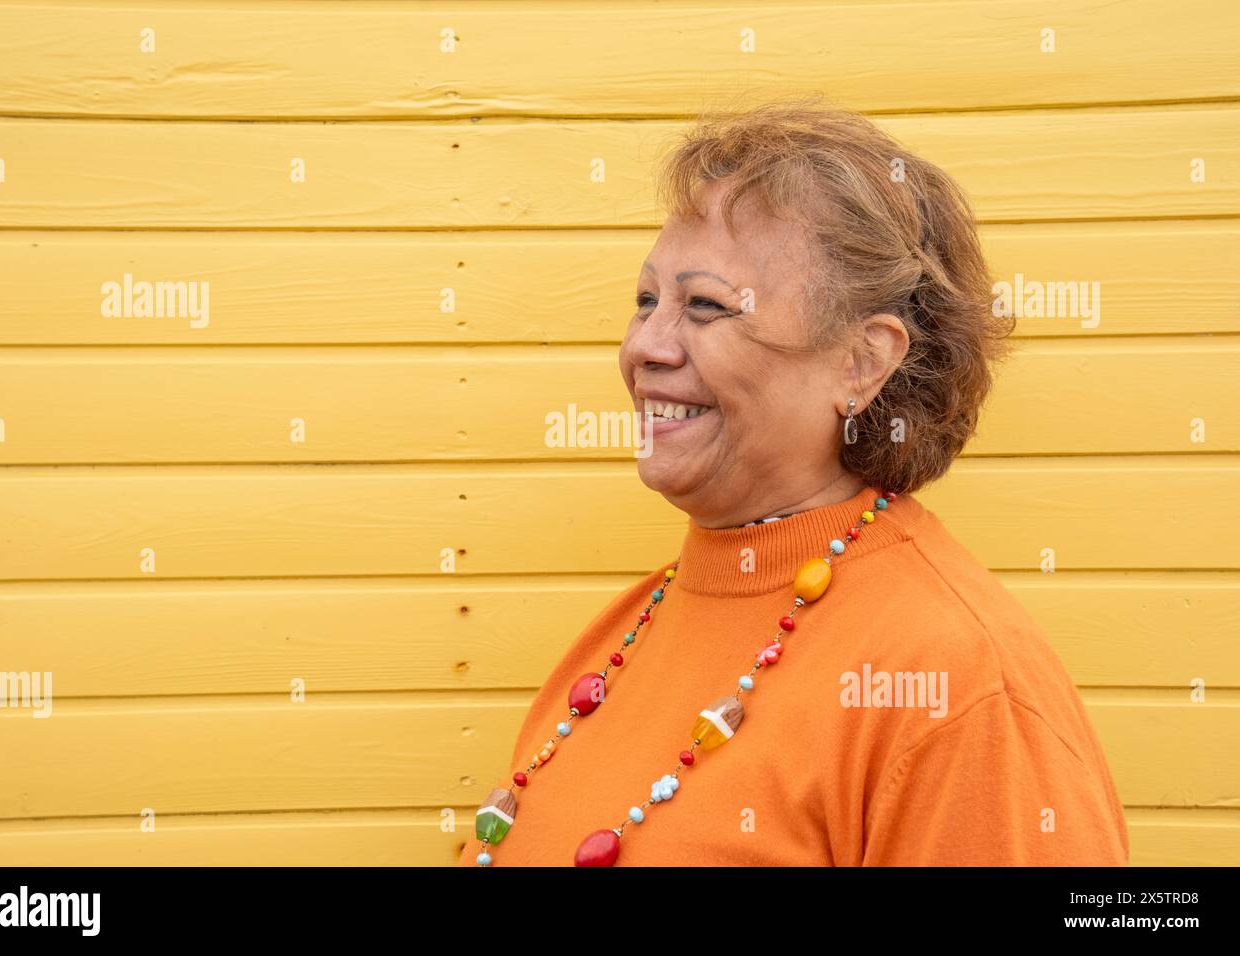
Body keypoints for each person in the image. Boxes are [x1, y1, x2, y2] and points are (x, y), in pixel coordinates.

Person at [458, 97, 1129, 867]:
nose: (645, 345)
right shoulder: (625, 633)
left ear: (862, 361)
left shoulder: (957, 683)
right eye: (646, 301)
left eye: (704, 306)